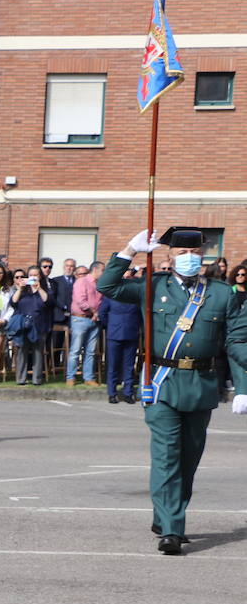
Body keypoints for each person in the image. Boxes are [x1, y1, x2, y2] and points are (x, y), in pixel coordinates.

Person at [103, 227, 247, 555]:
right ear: (169, 258)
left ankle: (166, 512)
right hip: (162, 382)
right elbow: (107, 285)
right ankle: (172, 528)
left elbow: (237, 340)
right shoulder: (153, 288)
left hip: (202, 384)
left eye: (195, 254)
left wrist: (243, 386)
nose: (189, 259)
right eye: (182, 254)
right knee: (167, 454)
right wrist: (129, 249)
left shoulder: (223, 294)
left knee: (188, 459)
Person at [98, 265, 142, 404]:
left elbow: (141, 315)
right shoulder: (111, 296)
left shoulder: (136, 296)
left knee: (129, 365)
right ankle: (112, 393)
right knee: (113, 365)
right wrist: (109, 326)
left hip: (131, 332)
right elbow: (102, 313)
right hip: (114, 333)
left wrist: (137, 327)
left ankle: (128, 392)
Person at [9, 266, 50, 385]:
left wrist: (39, 288)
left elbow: (48, 301)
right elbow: (13, 302)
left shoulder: (44, 289)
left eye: (35, 275)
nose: (33, 277)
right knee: (22, 352)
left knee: (38, 352)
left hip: (39, 325)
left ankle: (37, 379)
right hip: (23, 325)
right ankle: (21, 378)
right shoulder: (23, 291)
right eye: (30, 275)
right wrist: (20, 289)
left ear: (40, 276)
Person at [66, 263, 103, 387]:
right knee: (75, 350)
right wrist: (94, 311)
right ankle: (70, 377)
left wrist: (97, 314)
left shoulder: (99, 284)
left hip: (94, 320)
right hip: (80, 319)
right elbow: (80, 300)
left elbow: (101, 301)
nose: (104, 273)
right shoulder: (82, 281)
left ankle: (88, 377)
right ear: (95, 270)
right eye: (102, 270)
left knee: (91, 351)